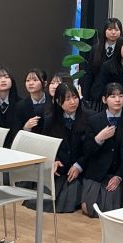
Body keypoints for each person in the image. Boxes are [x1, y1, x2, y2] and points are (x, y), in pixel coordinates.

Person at [77, 82, 123, 216]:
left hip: (118, 172)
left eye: (121, 96)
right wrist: (98, 139)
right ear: (104, 99)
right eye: (113, 96)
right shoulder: (94, 120)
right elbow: (87, 151)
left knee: (110, 210)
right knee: (88, 209)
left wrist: (119, 176)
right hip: (96, 172)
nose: (117, 100)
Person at [44, 82, 88, 213]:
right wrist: (54, 159)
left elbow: (91, 149)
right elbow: (46, 144)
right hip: (60, 169)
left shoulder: (89, 118)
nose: (73, 102)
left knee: (71, 195)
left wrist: (79, 165)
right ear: (58, 101)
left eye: (75, 97)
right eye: (68, 99)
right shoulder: (50, 119)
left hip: (81, 168)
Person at [82, 17, 122, 103]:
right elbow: (89, 73)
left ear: (121, 32)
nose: (113, 32)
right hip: (97, 94)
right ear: (104, 31)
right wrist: (85, 96)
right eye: (110, 29)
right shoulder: (96, 49)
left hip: (116, 95)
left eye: (116, 30)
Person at [15, 68, 48, 135]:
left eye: (35, 80)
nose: (30, 83)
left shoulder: (52, 102)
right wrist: (26, 128)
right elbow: (15, 131)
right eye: (28, 80)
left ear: (45, 83)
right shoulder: (20, 106)